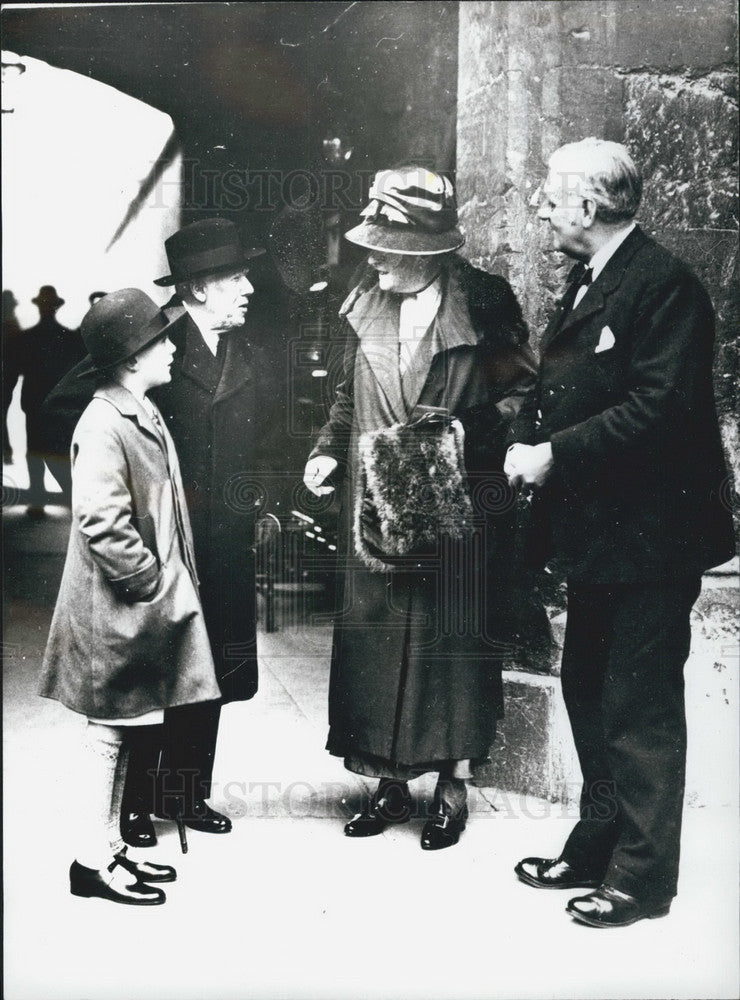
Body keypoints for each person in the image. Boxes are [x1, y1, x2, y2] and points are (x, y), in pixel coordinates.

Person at [505, 138, 735, 927]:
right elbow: (575, 388)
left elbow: (657, 408)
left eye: (548, 195)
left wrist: (551, 455)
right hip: (603, 534)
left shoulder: (666, 286)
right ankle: (597, 843)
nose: (540, 206)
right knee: (587, 690)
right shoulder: (595, 278)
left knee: (638, 707)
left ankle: (642, 878)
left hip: (652, 539)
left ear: (589, 206)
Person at [303, 166, 538, 849]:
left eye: (384, 247)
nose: (371, 257)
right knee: (376, 641)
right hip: (374, 505)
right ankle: (386, 786)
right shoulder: (366, 298)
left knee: (450, 645)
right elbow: (347, 398)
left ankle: (451, 790)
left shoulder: (486, 302)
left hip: (452, 498)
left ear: (426, 252)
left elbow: (522, 395)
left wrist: (466, 435)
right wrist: (327, 448)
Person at [43, 218, 267, 845]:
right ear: (196, 288)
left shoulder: (239, 346)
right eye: (234, 278)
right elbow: (73, 405)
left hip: (223, 544)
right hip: (168, 547)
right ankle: (137, 805)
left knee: (212, 672)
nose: (248, 288)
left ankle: (187, 795)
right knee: (155, 675)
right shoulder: (149, 343)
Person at [39, 288, 221, 905]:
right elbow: (103, 524)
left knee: (127, 730)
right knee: (107, 735)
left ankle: (110, 850)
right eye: (163, 340)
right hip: (117, 609)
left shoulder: (135, 407)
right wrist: (154, 586)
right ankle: (91, 865)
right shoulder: (105, 421)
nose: (173, 347)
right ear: (134, 356)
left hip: (132, 608)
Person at [12, 285, 84, 514]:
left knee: (35, 451)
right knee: (59, 451)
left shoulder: (27, 338)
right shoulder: (67, 337)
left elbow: (14, 373)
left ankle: (37, 499)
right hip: (56, 404)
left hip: (34, 405)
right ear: (55, 308)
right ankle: (71, 497)